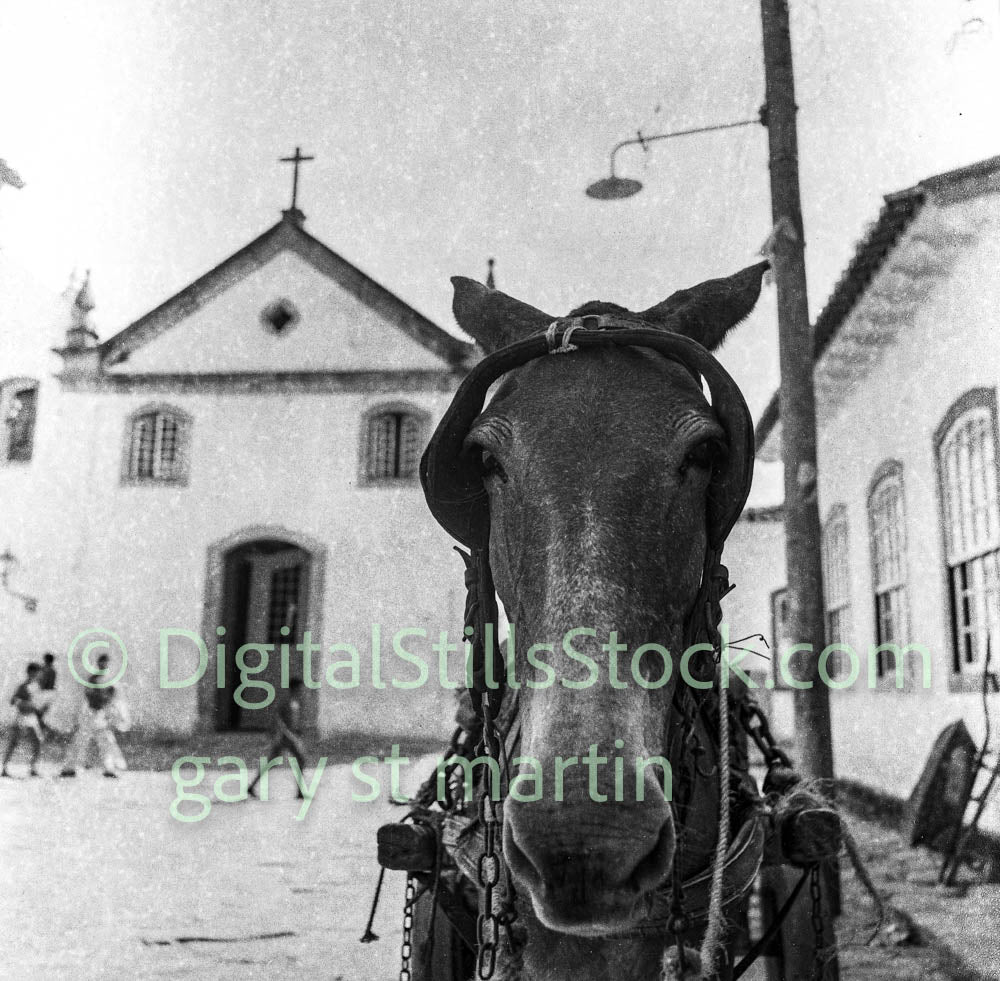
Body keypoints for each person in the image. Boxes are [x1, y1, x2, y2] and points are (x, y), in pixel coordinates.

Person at [59, 653, 126, 778]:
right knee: (81, 740)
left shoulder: (109, 680)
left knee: (106, 741)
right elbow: (91, 696)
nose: (104, 665)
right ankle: (68, 768)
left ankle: (109, 769)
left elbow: (112, 698)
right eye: (102, 662)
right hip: (90, 713)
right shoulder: (93, 679)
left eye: (106, 662)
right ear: (98, 664)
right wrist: (104, 695)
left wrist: (108, 698)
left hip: (100, 714)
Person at [248, 678, 306, 799]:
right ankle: (299, 792)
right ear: (295, 688)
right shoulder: (286, 702)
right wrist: (286, 734)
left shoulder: (295, 703)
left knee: (273, 763)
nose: (302, 691)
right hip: (285, 738)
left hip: (290, 737)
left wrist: (297, 732)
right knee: (300, 760)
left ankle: (252, 786)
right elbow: (278, 719)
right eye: (300, 688)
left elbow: (293, 722)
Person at [2, 662, 44, 777]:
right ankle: (4, 768)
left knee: (37, 742)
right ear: (31, 672)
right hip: (22, 716)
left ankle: (32, 768)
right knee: (14, 742)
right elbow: (13, 700)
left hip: (32, 717)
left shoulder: (37, 686)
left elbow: (37, 702)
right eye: (37, 672)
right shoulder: (23, 686)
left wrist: (36, 707)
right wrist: (24, 703)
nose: (39, 674)